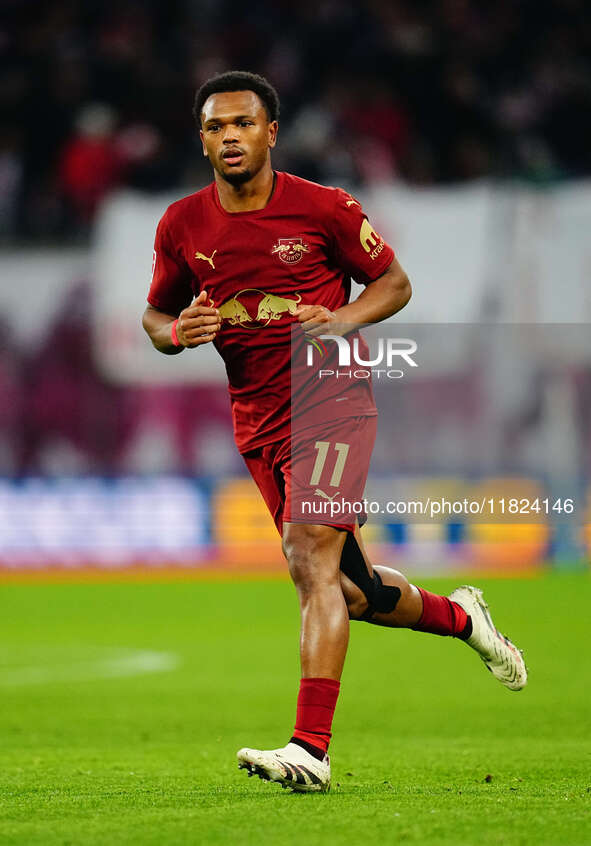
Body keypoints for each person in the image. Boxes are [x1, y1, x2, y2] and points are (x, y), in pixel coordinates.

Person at [142, 71, 527, 794]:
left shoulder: (324, 208)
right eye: (216, 127)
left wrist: (343, 320)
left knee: (305, 557)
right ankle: (461, 617)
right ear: (201, 139)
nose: (230, 137)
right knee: (349, 590)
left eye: (243, 124)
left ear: (270, 133)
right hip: (256, 419)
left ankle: (309, 749)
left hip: (332, 399)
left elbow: (394, 284)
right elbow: (155, 317)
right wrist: (175, 331)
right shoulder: (181, 226)